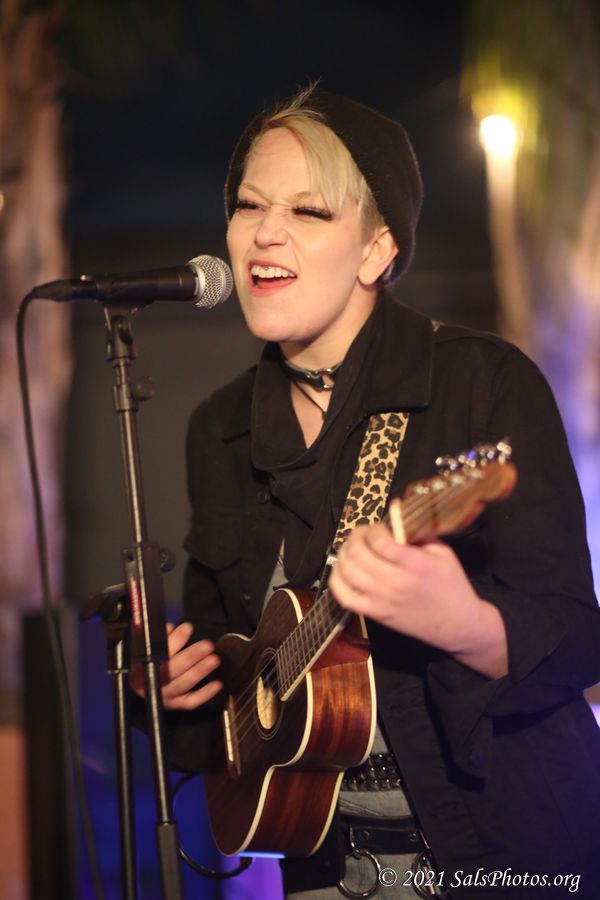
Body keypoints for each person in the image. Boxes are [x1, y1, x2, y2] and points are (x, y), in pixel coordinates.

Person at [132, 87, 600, 897]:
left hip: (499, 855)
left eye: (308, 210)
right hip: (322, 866)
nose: (264, 232)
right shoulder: (220, 429)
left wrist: (470, 627)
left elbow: (580, 638)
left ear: (378, 250)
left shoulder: (482, 383)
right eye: (249, 205)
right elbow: (237, 692)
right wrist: (173, 691)